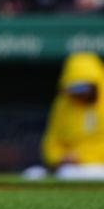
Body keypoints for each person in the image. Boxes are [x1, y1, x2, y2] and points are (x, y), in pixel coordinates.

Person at [41, 52, 104, 180]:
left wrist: (82, 156)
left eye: (83, 87)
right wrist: (58, 158)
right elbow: (52, 140)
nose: (79, 93)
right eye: (74, 87)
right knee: (34, 173)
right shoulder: (64, 103)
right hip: (69, 170)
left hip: (99, 167)